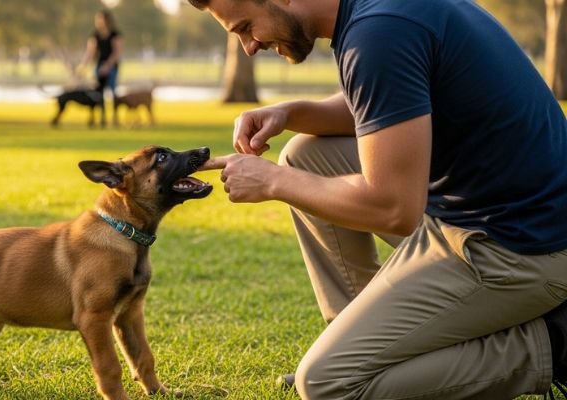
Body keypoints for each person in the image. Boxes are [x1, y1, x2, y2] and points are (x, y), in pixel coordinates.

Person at [190, 0, 567, 398]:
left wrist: (273, 182)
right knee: (307, 156)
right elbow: (390, 104)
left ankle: (551, 344)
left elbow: (393, 208)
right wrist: (290, 112)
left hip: (521, 246)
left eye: (247, 27)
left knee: (327, 382)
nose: (249, 46)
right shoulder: (379, 11)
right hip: (493, 210)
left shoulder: (379, 32)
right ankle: (363, 344)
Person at [79, 9, 123, 99]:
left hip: (112, 67)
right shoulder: (95, 35)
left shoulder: (115, 35)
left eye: (101, 19)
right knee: (98, 94)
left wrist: (107, 66)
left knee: (112, 92)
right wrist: (82, 67)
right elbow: (90, 52)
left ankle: (114, 112)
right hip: (99, 66)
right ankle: (100, 111)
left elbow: (116, 53)